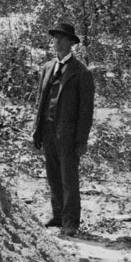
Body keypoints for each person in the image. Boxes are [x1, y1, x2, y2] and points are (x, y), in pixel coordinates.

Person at [32, 18, 94, 237]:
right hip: (48, 130)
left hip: (68, 135)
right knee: (53, 176)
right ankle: (57, 215)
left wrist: (81, 141)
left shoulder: (82, 73)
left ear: (71, 43)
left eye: (61, 38)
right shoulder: (47, 67)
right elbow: (40, 102)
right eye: (55, 38)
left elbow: (86, 111)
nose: (57, 42)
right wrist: (36, 130)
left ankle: (70, 222)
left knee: (69, 178)